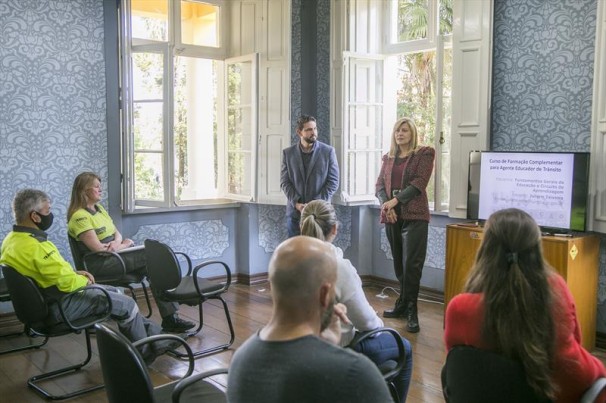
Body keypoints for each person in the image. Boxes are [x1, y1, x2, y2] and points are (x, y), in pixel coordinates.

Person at [443, 208, 606, 402]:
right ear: (535, 249)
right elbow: (579, 366)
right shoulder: (556, 293)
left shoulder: (459, 309)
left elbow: (459, 365)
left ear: (486, 250)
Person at [0, 189, 179, 364]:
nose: (51, 215)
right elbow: (68, 283)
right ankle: (143, 354)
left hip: (44, 305)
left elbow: (44, 274)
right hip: (59, 307)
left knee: (116, 293)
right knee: (127, 304)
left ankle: (160, 339)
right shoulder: (37, 247)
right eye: (47, 211)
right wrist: (85, 279)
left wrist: (75, 273)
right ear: (35, 216)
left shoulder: (12, 240)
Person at [227, 236, 393, 403]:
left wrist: (328, 344)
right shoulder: (355, 372)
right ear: (325, 294)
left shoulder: (241, 360)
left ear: (272, 286)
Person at [300, 200, 413, 402]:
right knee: (405, 347)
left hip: (302, 351)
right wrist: (378, 322)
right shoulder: (340, 268)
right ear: (335, 229)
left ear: (303, 226)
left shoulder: (288, 263)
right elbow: (367, 323)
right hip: (338, 352)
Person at [67, 172, 194, 333]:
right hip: (99, 264)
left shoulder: (99, 209)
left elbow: (116, 233)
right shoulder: (79, 217)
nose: (101, 190)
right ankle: (180, 295)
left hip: (115, 255)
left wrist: (118, 242)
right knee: (151, 256)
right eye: (97, 186)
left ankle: (170, 318)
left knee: (152, 267)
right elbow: (99, 250)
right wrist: (125, 243)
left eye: (100, 186)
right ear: (84, 190)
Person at [375, 117, 435, 332]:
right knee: (400, 264)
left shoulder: (425, 153)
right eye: (397, 130)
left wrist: (396, 201)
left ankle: (411, 309)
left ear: (412, 134)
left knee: (412, 266)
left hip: (415, 216)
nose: (400, 134)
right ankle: (402, 304)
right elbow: (379, 185)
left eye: (405, 131)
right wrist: (386, 205)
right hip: (392, 217)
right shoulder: (388, 158)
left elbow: (419, 182)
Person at [280, 114, 339, 238]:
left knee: (318, 254)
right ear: (299, 132)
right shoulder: (288, 154)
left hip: (320, 216)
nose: (314, 133)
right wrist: (297, 204)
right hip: (295, 215)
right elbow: (285, 182)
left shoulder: (328, 152)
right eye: (309, 130)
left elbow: (333, 182)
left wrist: (314, 204)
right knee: (296, 255)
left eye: (315, 128)